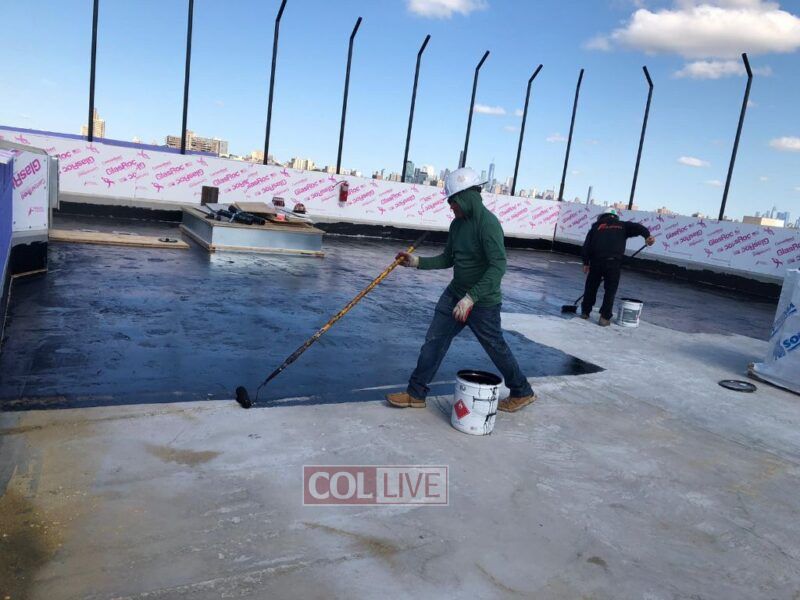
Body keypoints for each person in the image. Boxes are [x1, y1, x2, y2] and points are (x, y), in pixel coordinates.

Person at [386, 167, 536, 413]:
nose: (450, 206)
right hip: (454, 294)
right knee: (433, 342)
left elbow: (498, 267)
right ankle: (416, 393)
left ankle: (522, 390)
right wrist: (416, 262)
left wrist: (471, 298)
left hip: (482, 302)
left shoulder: (488, 225)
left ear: (466, 196)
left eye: (453, 201)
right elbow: (448, 259)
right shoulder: (457, 225)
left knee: (495, 347)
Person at [580, 209, 655, 326]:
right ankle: (604, 318)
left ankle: (585, 312)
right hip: (613, 263)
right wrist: (648, 236)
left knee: (591, 287)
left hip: (596, 262)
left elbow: (586, 247)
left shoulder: (595, 227)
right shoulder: (622, 225)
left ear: (602, 217)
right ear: (615, 217)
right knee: (610, 291)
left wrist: (585, 263)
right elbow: (638, 227)